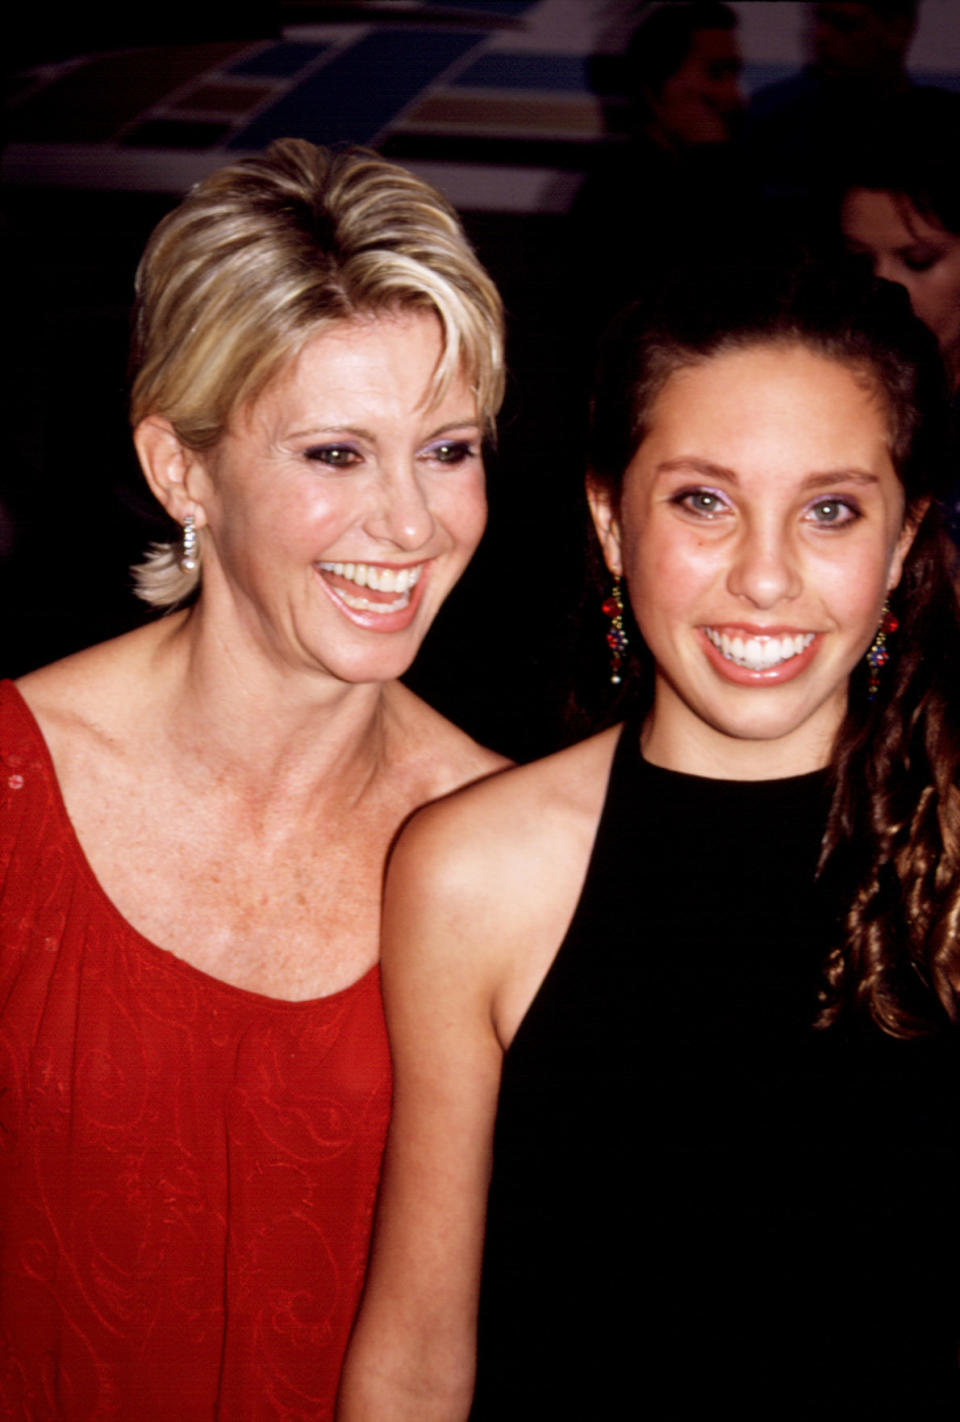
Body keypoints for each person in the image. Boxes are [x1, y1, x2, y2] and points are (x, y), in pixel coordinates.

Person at [338, 263, 960, 1418]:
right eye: (702, 502)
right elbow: (418, 1357)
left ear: (906, 536)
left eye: (831, 510)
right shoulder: (475, 870)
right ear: (608, 523)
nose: (765, 578)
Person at [0, 138, 507, 1420]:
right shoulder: (13, 787)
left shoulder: (510, 845)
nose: (410, 521)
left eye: (448, 450)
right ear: (182, 470)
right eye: (336, 455)